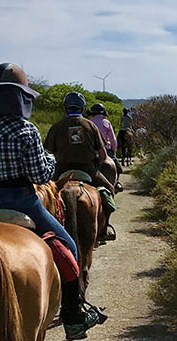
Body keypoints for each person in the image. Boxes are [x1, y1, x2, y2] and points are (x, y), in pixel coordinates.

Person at [0, 63, 103, 340]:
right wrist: (49, 161)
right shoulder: (25, 129)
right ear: (18, 96)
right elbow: (41, 174)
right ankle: (74, 317)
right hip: (23, 202)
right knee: (68, 249)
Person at [44, 93, 118, 241]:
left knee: (45, 194)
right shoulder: (90, 125)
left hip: (61, 172)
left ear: (65, 107)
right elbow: (103, 155)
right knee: (109, 189)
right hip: (88, 170)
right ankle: (104, 228)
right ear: (82, 108)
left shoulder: (57, 126)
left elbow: (48, 152)